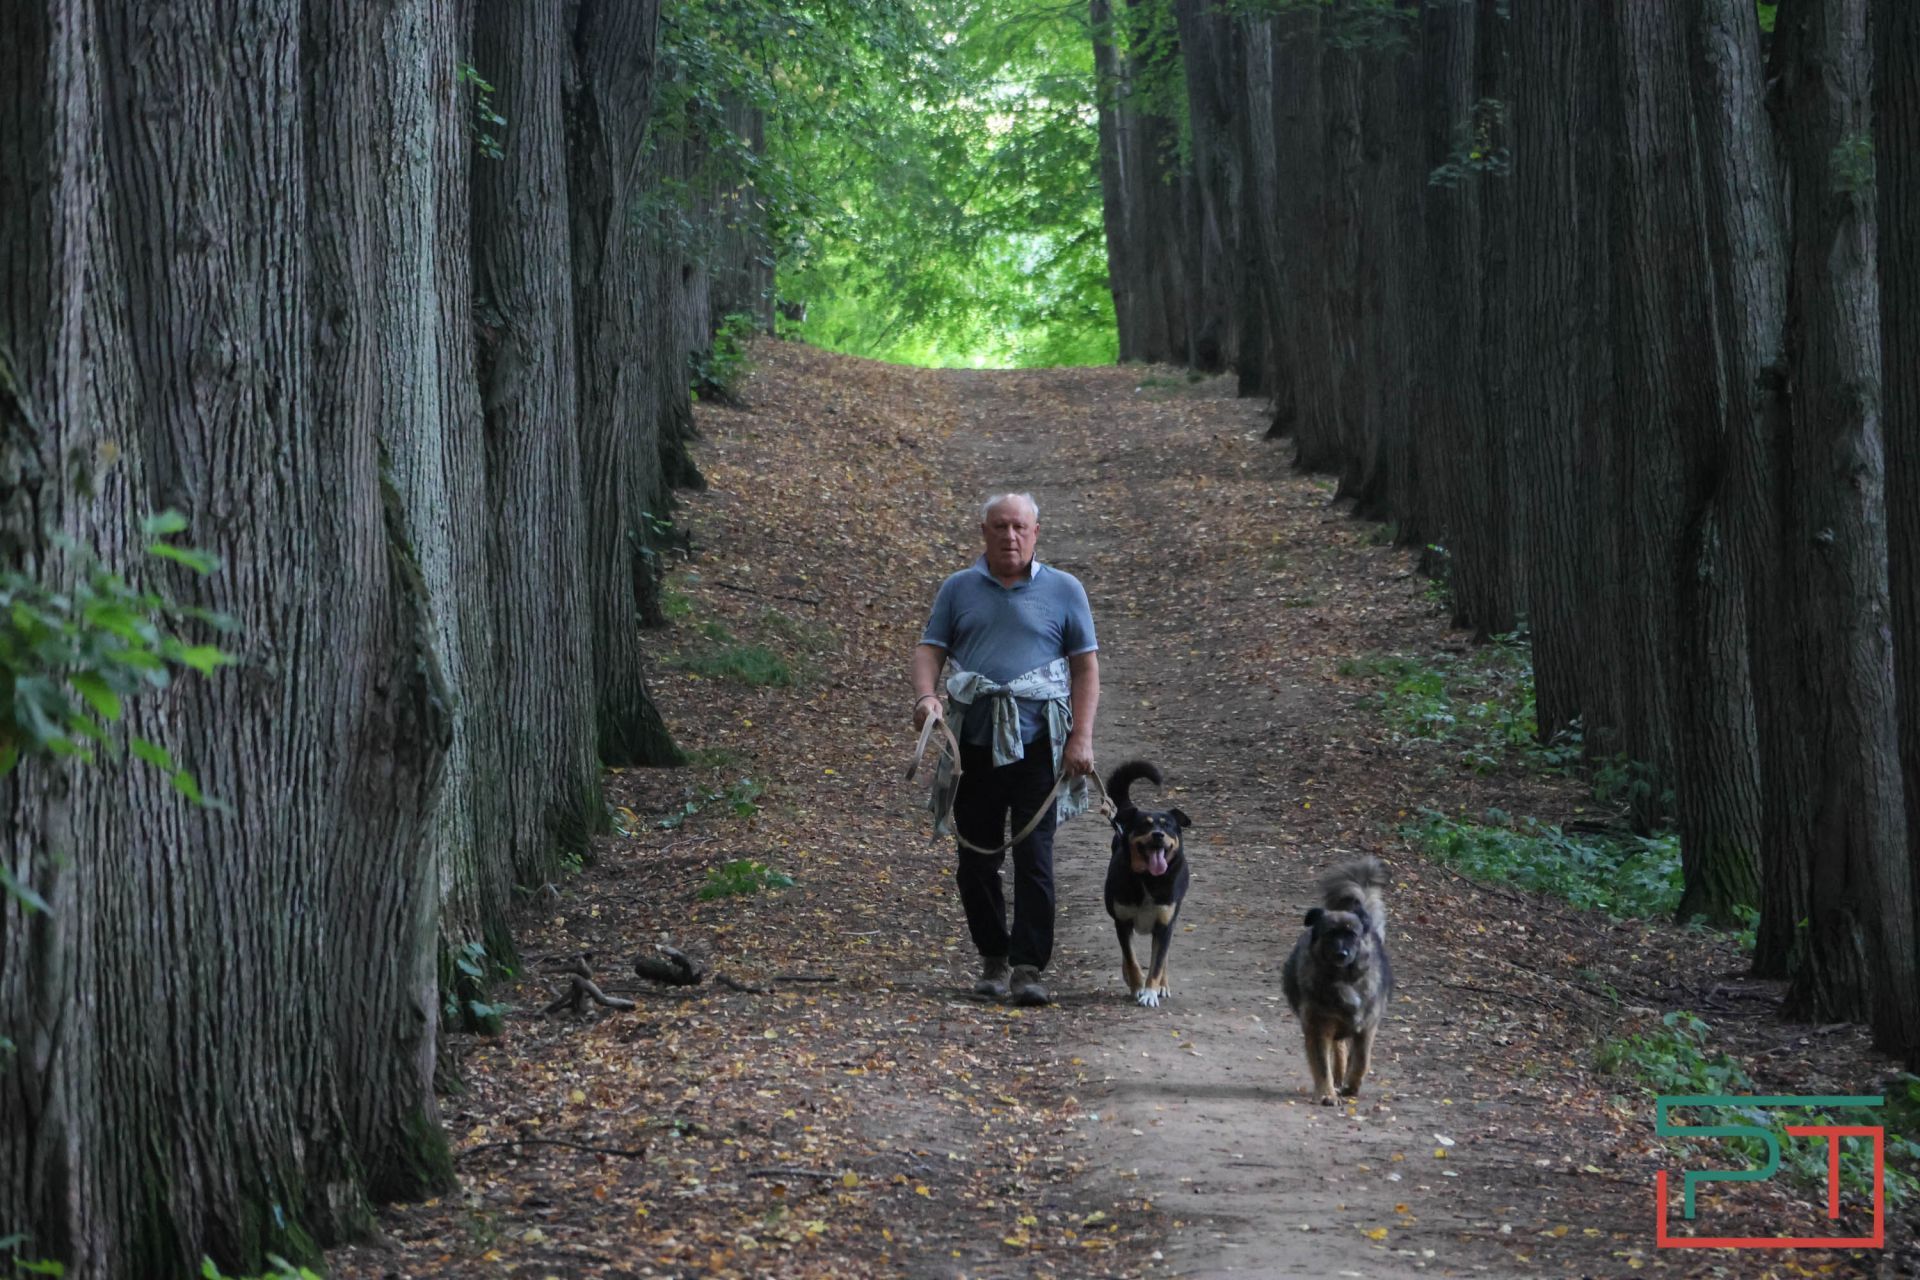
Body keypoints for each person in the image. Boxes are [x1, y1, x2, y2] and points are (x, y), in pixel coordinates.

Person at [911, 492, 1100, 1007]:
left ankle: (1028, 967)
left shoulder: (1065, 590)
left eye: (1019, 527)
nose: (1009, 536)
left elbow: (1085, 667)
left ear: (1036, 532)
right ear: (984, 532)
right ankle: (992, 958)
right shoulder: (958, 589)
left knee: (1034, 857)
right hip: (972, 745)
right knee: (975, 859)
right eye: (1000, 527)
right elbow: (931, 649)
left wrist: (1081, 737)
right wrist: (928, 697)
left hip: (1041, 747)